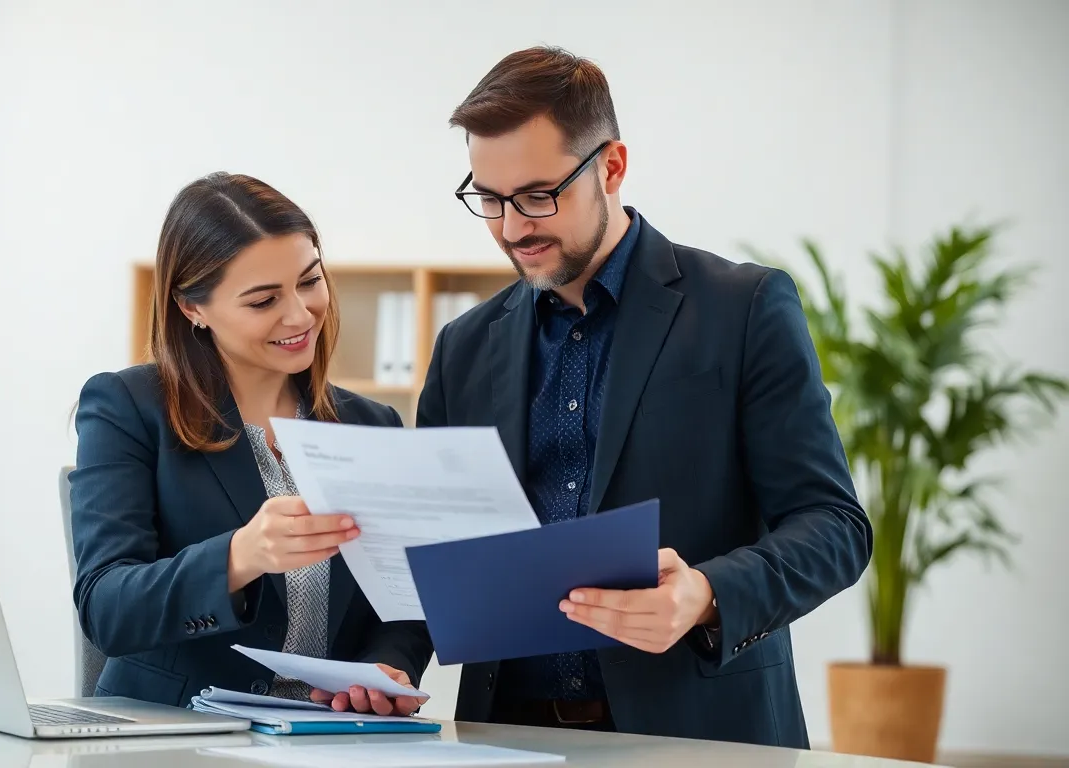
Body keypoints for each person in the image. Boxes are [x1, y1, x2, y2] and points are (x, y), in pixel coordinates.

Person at [417, 46, 873, 748]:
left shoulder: (744, 308)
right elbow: (429, 548)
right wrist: (383, 663)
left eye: (537, 196)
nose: (511, 228)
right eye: (490, 200)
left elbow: (835, 525)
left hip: (701, 737)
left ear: (611, 167)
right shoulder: (463, 348)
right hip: (506, 735)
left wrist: (706, 594)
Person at [69, 172, 431, 717]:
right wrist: (241, 556)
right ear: (192, 308)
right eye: (263, 301)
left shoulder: (372, 425)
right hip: (177, 731)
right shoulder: (128, 406)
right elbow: (106, 608)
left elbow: (403, 601)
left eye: (310, 281)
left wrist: (388, 666)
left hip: (328, 733)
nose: (300, 314)